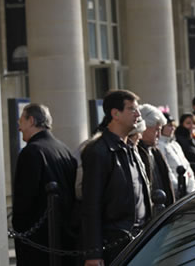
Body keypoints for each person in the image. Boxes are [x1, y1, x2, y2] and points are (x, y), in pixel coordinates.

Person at [81, 90, 152, 265]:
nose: (138, 115)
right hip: (114, 243)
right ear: (115, 114)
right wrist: (93, 253)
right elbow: (91, 205)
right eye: (132, 109)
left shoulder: (131, 148)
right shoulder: (98, 151)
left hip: (139, 239)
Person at [12, 103, 77, 266]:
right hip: (64, 238)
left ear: (31, 120)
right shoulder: (64, 150)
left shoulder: (31, 152)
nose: (19, 128)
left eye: (21, 121)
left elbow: (24, 201)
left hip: (39, 244)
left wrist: (18, 228)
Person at [137, 104, 175, 206]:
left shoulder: (155, 151)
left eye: (160, 130)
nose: (159, 134)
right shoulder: (136, 152)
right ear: (144, 128)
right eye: (156, 130)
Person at [157, 112, 195, 197]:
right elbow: (167, 170)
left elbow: (186, 165)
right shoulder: (159, 146)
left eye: (173, 126)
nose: (172, 128)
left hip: (186, 190)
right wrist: (177, 189)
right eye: (169, 126)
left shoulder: (176, 144)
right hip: (175, 192)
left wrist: (191, 187)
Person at [175, 113, 195, 180]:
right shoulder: (179, 140)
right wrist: (194, 166)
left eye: (194, 123)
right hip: (188, 176)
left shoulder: (193, 139)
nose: (192, 126)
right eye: (188, 123)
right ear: (182, 124)